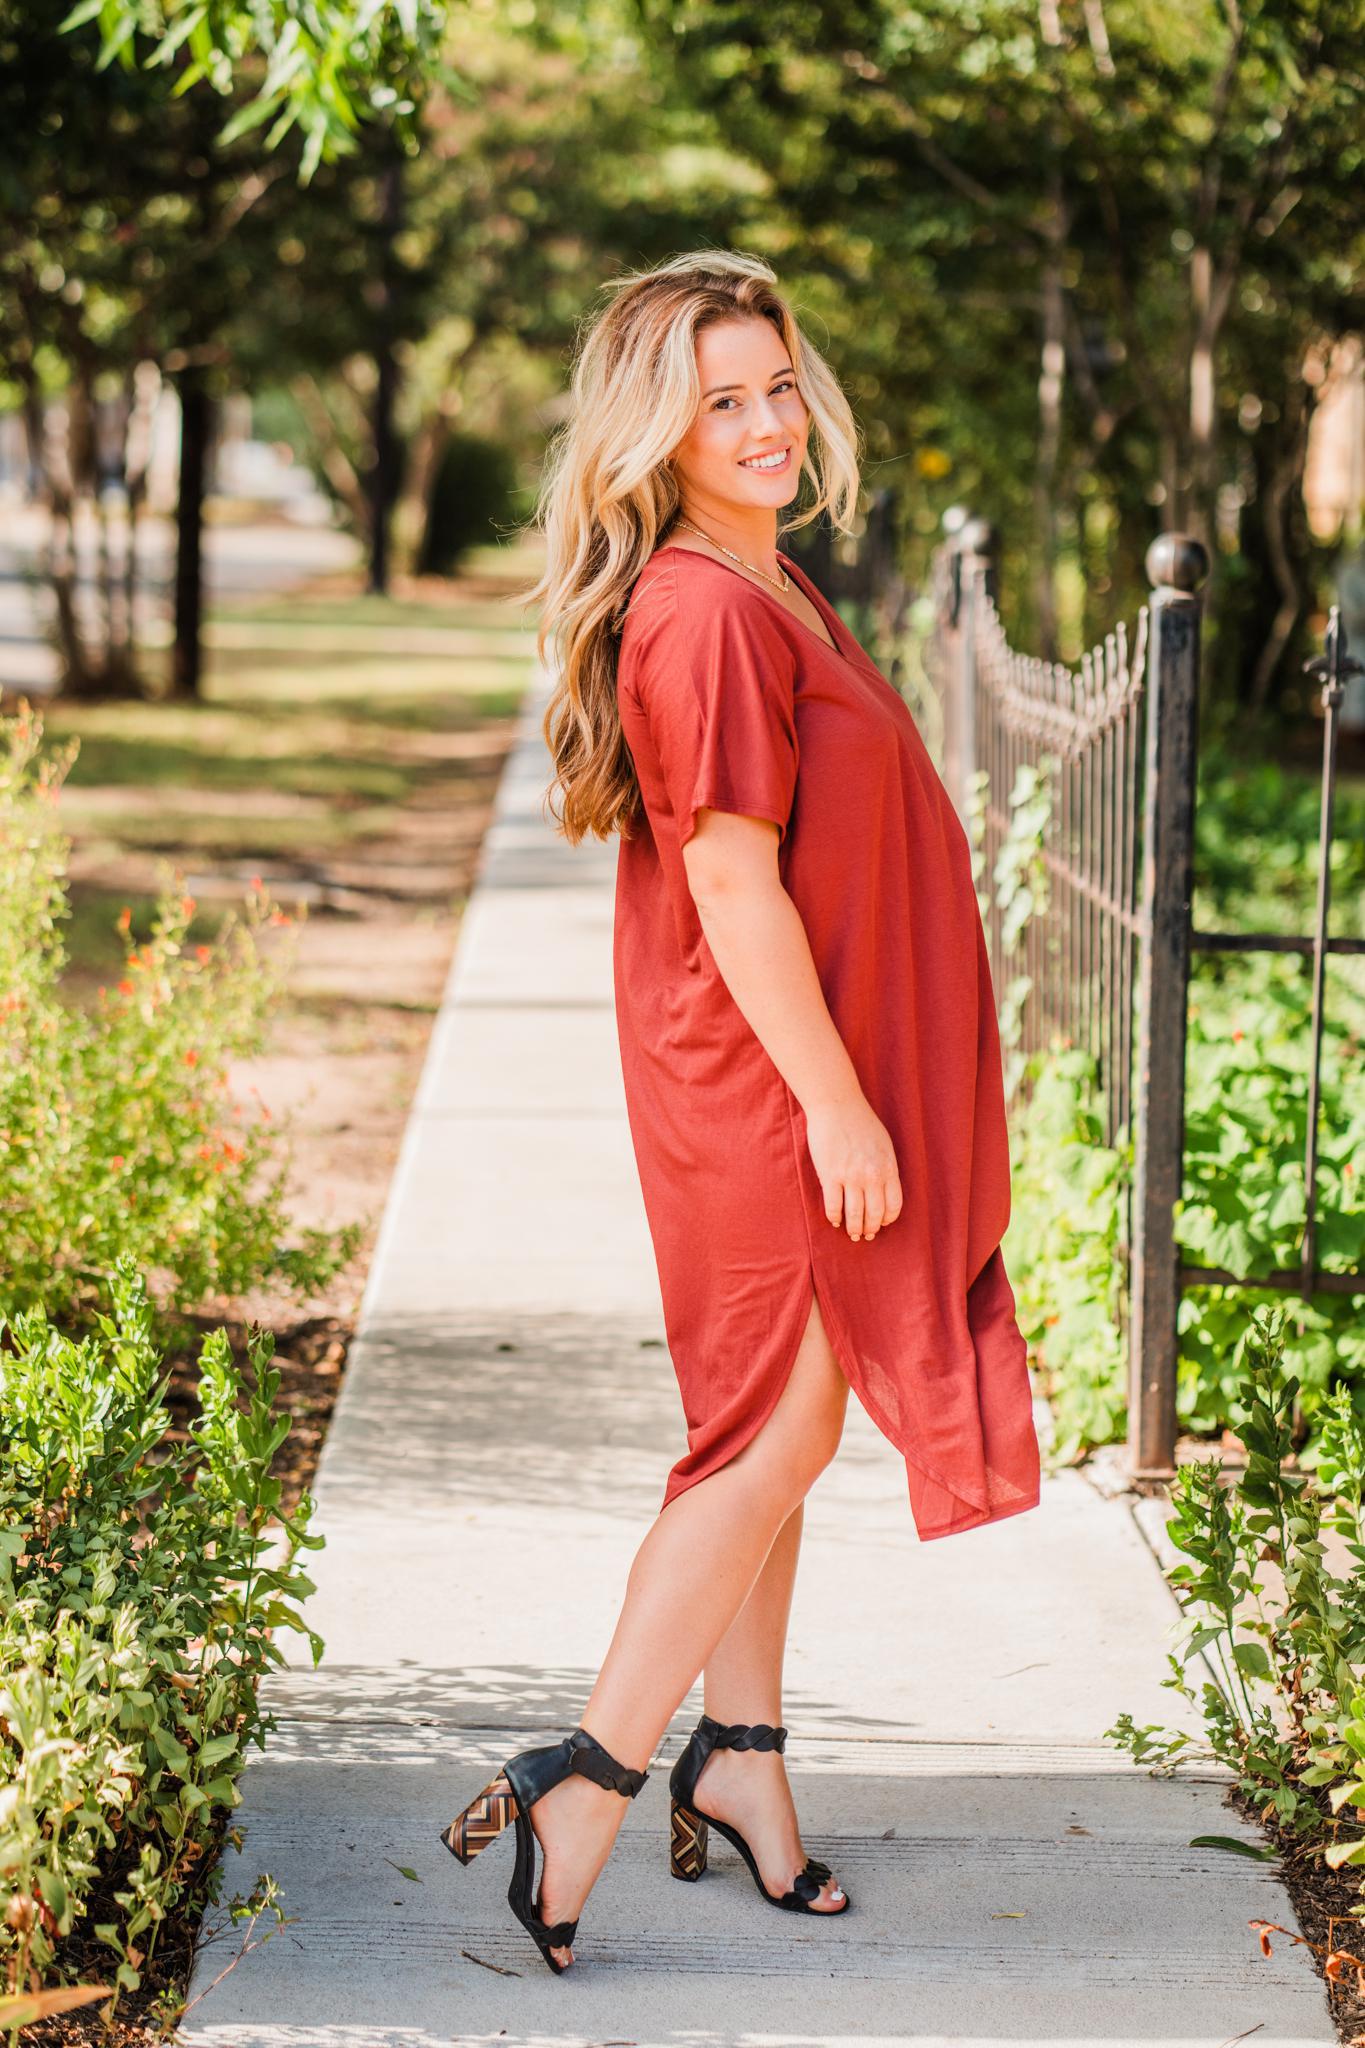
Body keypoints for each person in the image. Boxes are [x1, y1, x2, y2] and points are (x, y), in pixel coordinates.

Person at [440, 249, 1041, 1975]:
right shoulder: (703, 610)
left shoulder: (760, 578)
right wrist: (845, 1109)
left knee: (773, 1434)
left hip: (777, 1069)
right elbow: (730, 881)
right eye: (724, 400)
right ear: (659, 427)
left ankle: (747, 1765)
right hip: (769, 1084)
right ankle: (592, 1778)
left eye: (779, 383)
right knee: (767, 1440)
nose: (768, 420)